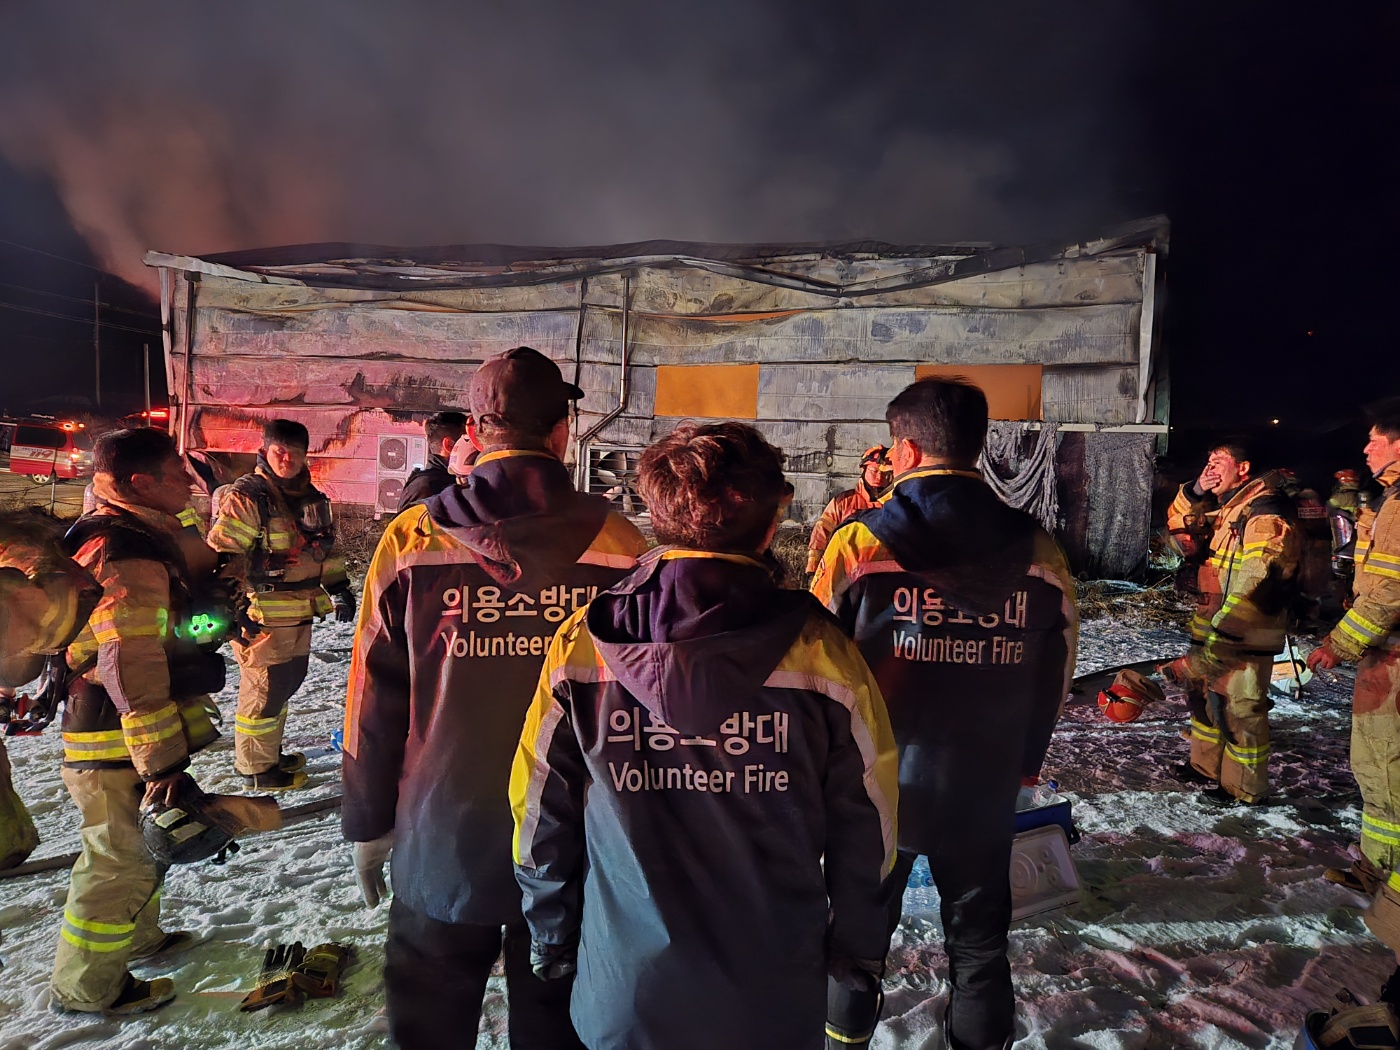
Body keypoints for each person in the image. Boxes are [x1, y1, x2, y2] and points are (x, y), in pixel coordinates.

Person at [511, 421, 897, 1050]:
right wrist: (857, 949)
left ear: (655, 516)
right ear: (770, 526)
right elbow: (869, 819)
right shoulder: (822, 652)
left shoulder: (585, 642)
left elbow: (538, 806)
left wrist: (552, 934)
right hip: (770, 995)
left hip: (625, 992)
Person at [342, 346, 648, 1050]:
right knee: (555, 1023)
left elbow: (371, 696)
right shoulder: (619, 543)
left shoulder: (412, 538)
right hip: (574, 841)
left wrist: (367, 820)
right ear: (563, 431)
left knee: (429, 1024)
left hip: (441, 836)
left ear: (476, 431)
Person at [810, 378, 1077, 1050]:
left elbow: (813, 666)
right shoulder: (1037, 548)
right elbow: (1058, 664)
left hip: (872, 786)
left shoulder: (857, 543)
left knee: (854, 945)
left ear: (904, 450)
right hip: (983, 780)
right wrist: (1024, 763)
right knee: (980, 947)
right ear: (976, 447)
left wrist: (820, 769)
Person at [49, 429, 225, 1015]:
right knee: (117, 860)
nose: (189, 485)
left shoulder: (133, 530)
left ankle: (140, 938)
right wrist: (162, 762)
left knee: (144, 845)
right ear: (142, 483)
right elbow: (131, 659)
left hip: (119, 726)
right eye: (178, 475)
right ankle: (87, 990)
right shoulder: (124, 551)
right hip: (112, 732)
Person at [207, 419, 354, 790]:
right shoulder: (249, 496)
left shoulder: (311, 497)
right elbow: (225, 554)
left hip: (300, 609)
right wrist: (230, 607)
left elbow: (325, 549)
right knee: (264, 690)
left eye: (295, 453)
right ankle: (256, 769)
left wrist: (339, 587)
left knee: (286, 682)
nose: (287, 459)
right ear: (265, 450)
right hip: (261, 611)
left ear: (306, 455)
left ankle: (269, 753)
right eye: (279, 451)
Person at [1163, 442, 1300, 806]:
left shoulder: (1264, 512)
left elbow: (1258, 582)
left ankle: (1243, 789)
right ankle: (1206, 767)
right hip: (1215, 625)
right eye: (1207, 461)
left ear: (1243, 468)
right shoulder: (1230, 508)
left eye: (1218, 461)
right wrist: (1195, 491)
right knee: (1206, 701)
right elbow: (1178, 525)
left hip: (1244, 634)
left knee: (1240, 710)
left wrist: (1228, 632)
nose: (1210, 467)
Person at [1308, 398, 1400, 893]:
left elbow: (1389, 591)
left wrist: (1339, 644)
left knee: (1386, 768)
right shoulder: (1388, 499)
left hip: (1393, 659)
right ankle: (1377, 868)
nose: (1366, 449)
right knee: (1380, 768)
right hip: (1385, 652)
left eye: (1375, 440)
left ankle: (1387, 881)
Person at [805, 445, 891, 574]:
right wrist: (813, 567)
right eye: (874, 471)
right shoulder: (843, 502)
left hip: (883, 575)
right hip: (845, 574)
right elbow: (821, 533)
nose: (879, 477)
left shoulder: (895, 504)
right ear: (863, 470)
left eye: (885, 473)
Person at [398, 410, 470, 511]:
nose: (474, 446)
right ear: (449, 445)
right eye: (467, 440)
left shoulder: (449, 478)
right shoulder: (424, 488)